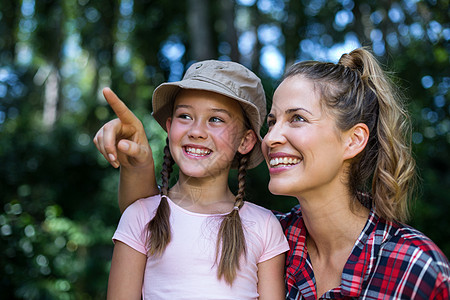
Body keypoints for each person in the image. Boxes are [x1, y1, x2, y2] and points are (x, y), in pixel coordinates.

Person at [95, 48, 450, 299]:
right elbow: (152, 220)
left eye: (296, 118)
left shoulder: (416, 269)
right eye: (272, 120)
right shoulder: (276, 234)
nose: (273, 137)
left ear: (353, 140)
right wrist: (138, 163)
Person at [95, 60, 289, 300]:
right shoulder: (139, 216)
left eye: (216, 119)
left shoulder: (264, 225)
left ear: (245, 141)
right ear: (170, 127)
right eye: (185, 116)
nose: (196, 131)